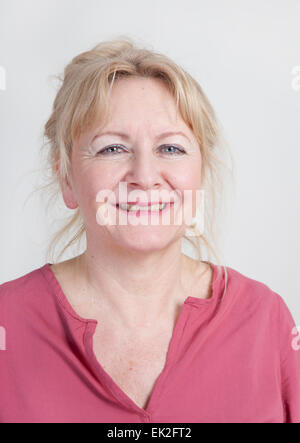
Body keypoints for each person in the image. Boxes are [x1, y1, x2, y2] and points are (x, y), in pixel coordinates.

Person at [0, 38, 299, 424]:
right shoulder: (8, 321)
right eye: (111, 149)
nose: (144, 176)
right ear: (66, 179)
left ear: (200, 172)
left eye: (171, 149)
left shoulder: (265, 320)